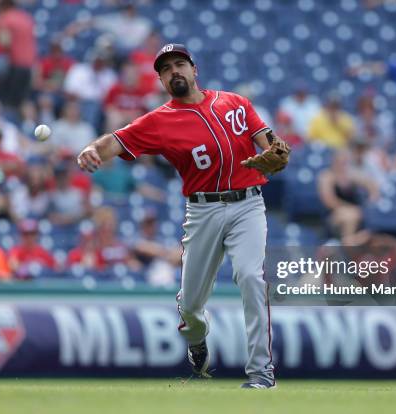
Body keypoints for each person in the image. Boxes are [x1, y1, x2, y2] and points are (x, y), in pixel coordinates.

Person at [77, 43, 290, 389]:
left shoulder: (235, 102)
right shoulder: (159, 121)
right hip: (202, 210)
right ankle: (196, 337)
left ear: (194, 70)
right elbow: (116, 140)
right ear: (161, 79)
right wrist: (91, 149)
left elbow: (270, 143)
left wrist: (275, 151)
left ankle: (261, 373)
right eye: (166, 68)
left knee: (251, 278)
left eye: (179, 64)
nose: (174, 71)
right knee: (191, 305)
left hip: (248, 204)